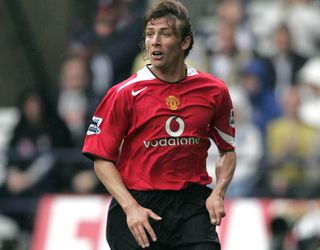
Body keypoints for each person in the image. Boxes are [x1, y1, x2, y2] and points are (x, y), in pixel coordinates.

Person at [82, 0, 236, 249]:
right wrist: (131, 207)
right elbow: (101, 159)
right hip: (140, 204)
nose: (154, 41)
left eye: (165, 34)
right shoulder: (124, 92)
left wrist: (218, 192)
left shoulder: (214, 91)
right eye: (150, 34)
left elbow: (227, 151)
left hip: (191, 205)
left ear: (184, 42)